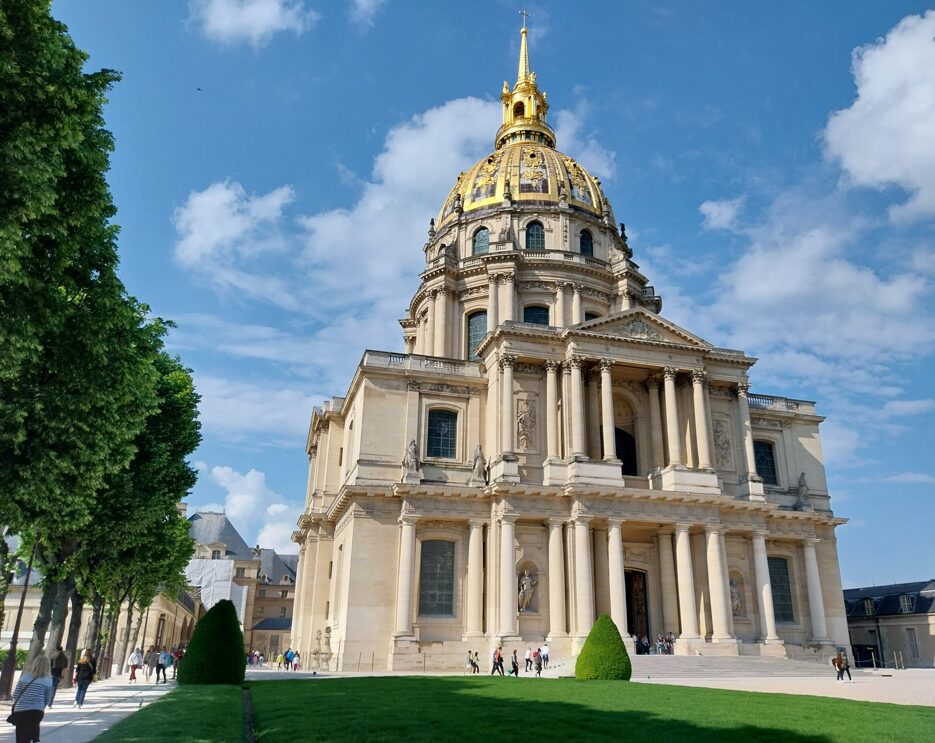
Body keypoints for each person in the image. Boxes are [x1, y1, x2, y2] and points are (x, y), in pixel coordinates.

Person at [10, 654, 53, 743]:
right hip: (37, 711)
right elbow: (47, 698)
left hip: (21, 711)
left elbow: (15, 695)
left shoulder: (24, 677)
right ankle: (36, 739)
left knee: (21, 736)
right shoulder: (48, 680)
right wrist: (40, 706)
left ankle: (35, 739)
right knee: (32, 728)